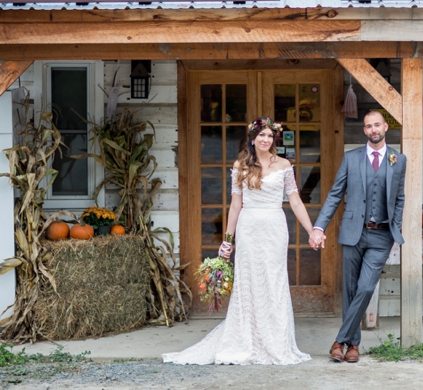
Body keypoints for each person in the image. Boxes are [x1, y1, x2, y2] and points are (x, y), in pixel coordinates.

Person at [163, 117, 314, 366]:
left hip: (275, 227)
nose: (265, 140)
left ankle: (275, 342)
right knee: (250, 283)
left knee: (273, 282)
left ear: (274, 138)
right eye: (261, 135)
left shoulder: (285, 165)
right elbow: (235, 205)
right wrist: (228, 241)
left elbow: (295, 201)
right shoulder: (241, 165)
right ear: (252, 139)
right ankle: (248, 339)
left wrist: (311, 230)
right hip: (249, 228)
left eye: (269, 136)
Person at [309, 110, 406, 363]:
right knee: (350, 292)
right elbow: (334, 194)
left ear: (385, 127)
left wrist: (395, 227)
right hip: (353, 232)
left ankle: (338, 341)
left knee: (365, 288)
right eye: (368, 126)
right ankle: (353, 346)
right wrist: (319, 227)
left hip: (382, 236)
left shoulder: (399, 159)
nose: (373, 130)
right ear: (364, 131)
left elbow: (400, 197)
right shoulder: (351, 158)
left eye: (377, 125)